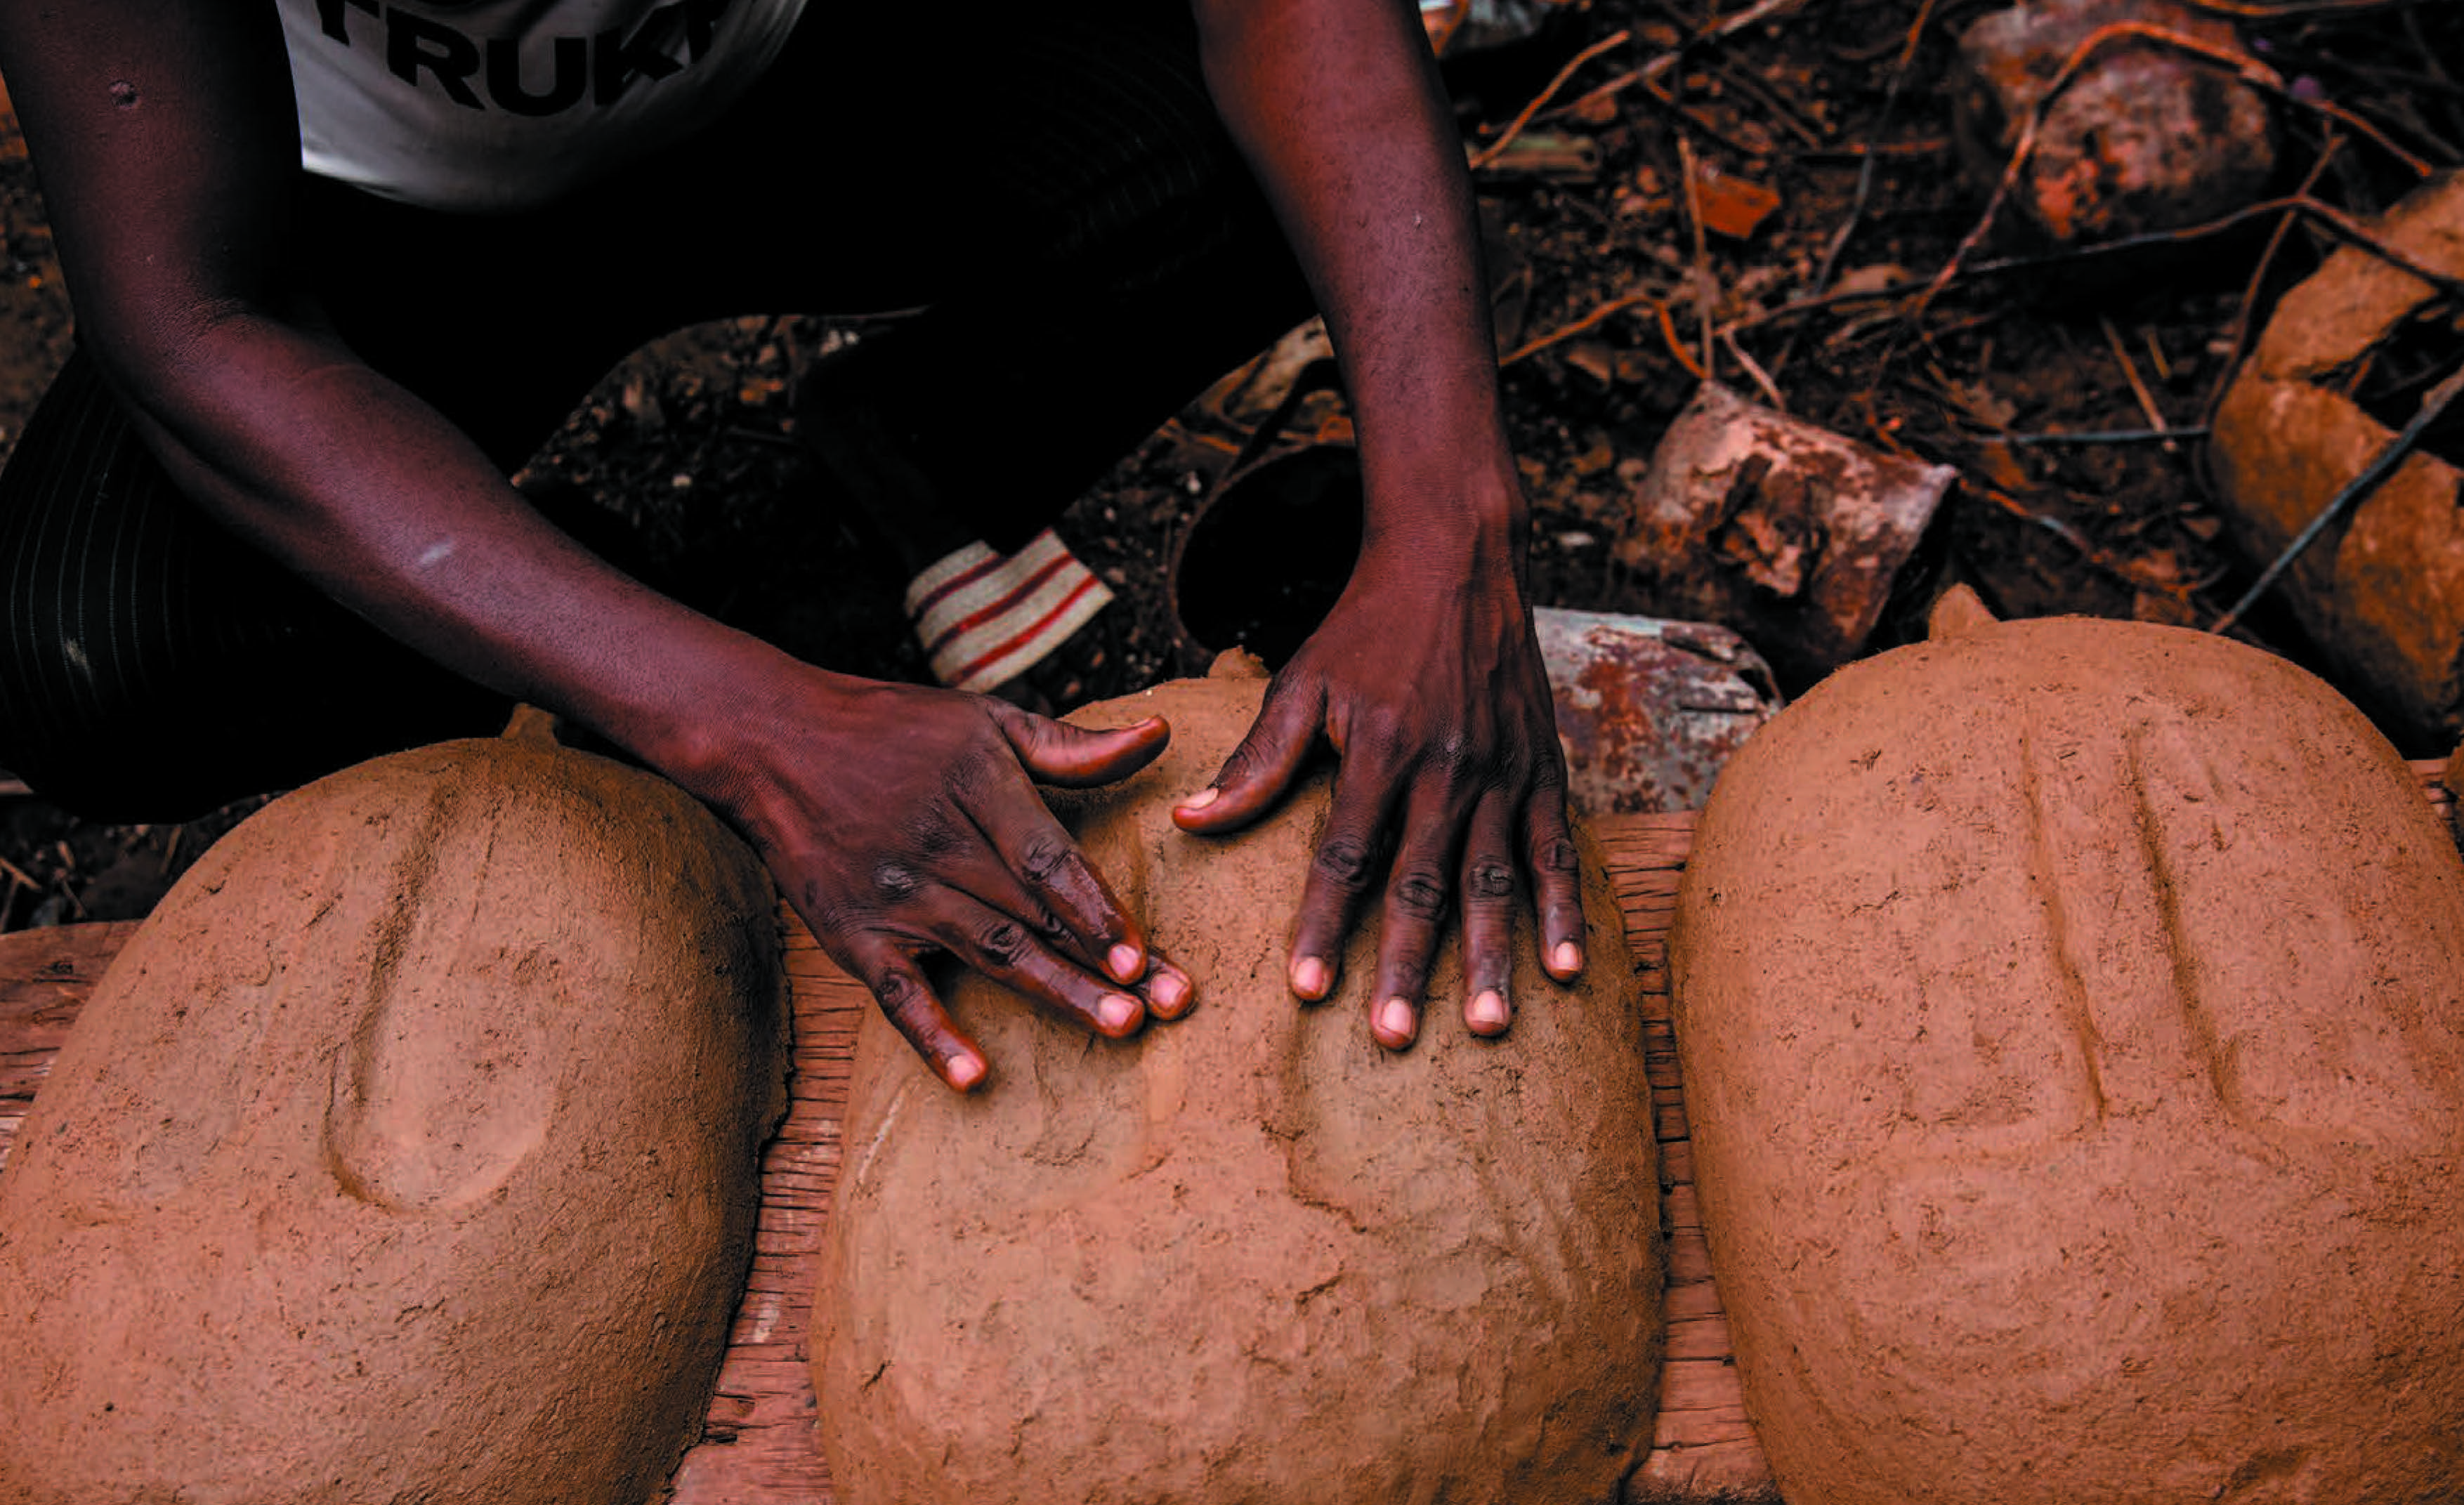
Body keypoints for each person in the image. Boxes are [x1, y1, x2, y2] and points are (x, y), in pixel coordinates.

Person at [0, 0, 1585, 1088]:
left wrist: (1451, 524)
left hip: (797, 79)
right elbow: (194, 319)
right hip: (375, 226)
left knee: (1256, 164)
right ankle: (523, 588)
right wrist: (742, 720)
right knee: (101, 654)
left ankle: (927, 443)